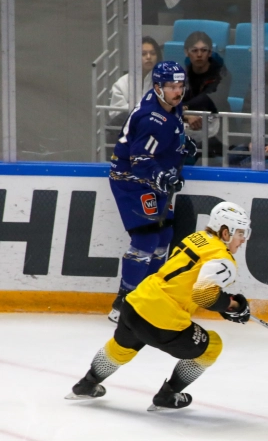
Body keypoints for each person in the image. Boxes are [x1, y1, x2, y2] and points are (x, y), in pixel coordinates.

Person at [67, 202, 253, 411]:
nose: (243, 239)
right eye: (240, 233)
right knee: (212, 346)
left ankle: (87, 384)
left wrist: (225, 304)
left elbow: (189, 282)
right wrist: (233, 305)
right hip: (163, 321)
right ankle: (168, 395)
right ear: (225, 231)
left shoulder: (197, 238)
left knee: (121, 347)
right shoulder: (223, 259)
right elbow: (204, 295)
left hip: (137, 303)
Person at [106, 61, 196, 321]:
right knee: (146, 239)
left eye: (181, 86)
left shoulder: (169, 104)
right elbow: (140, 159)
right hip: (132, 180)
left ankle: (149, 294)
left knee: (164, 235)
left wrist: (181, 143)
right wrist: (164, 177)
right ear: (157, 87)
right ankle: (124, 304)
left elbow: (169, 133)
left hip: (151, 179)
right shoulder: (152, 119)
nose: (178, 92)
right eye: (171, 87)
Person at [180, 32, 232, 158]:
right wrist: (185, 114)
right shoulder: (181, 75)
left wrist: (183, 108)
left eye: (203, 50)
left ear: (209, 53)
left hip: (218, 134)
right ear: (186, 52)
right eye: (194, 50)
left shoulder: (222, 74)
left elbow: (211, 100)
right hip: (186, 131)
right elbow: (169, 103)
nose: (199, 55)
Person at [109, 37, 162, 115]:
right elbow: (115, 113)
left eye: (153, 53)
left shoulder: (164, 81)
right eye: (143, 54)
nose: (148, 57)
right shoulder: (121, 84)